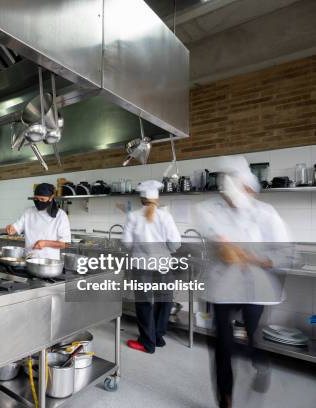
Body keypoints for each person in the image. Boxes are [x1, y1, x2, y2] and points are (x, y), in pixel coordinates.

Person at [195, 156, 291, 408]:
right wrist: (224, 245)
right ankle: (224, 399)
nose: (232, 194)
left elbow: (285, 253)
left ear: (249, 187)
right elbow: (213, 231)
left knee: (252, 337)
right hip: (223, 288)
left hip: (255, 288)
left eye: (239, 187)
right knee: (222, 344)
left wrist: (257, 258)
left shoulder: (266, 214)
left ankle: (260, 363)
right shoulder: (211, 209)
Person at [122, 180, 181, 354]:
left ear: (141, 199)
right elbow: (175, 243)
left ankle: (148, 342)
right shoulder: (165, 216)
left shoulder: (133, 216)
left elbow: (126, 243)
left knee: (144, 303)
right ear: (157, 198)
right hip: (163, 264)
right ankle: (158, 337)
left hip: (141, 265)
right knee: (164, 301)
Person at [5, 183, 71, 260]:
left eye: (42, 199)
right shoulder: (28, 212)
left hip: (49, 262)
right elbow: (15, 229)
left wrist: (45, 243)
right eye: (36, 199)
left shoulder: (60, 215)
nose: (39, 202)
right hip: (29, 259)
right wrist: (11, 228)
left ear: (51, 197)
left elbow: (66, 244)